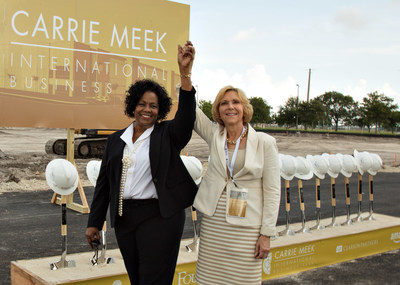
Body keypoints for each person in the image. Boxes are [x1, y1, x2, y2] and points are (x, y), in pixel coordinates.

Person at [85, 41, 197, 284]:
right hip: (125, 219)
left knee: (153, 280)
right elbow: (104, 184)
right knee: (137, 278)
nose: (147, 110)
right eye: (142, 104)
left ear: (161, 110)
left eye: (153, 106)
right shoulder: (116, 140)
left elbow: (186, 118)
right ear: (133, 106)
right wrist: (94, 223)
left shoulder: (167, 135)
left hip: (160, 218)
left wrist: (185, 75)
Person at [193, 86, 281, 284]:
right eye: (224, 103)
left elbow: (273, 191)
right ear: (218, 111)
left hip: (247, 229)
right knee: (209, 280)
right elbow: (192, 110)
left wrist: (266, 234)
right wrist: (185, 75)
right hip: (214, 224)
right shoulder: (215, 134)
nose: (230, 107)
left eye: (236, 102)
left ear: (244, 108)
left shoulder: (264, 142)